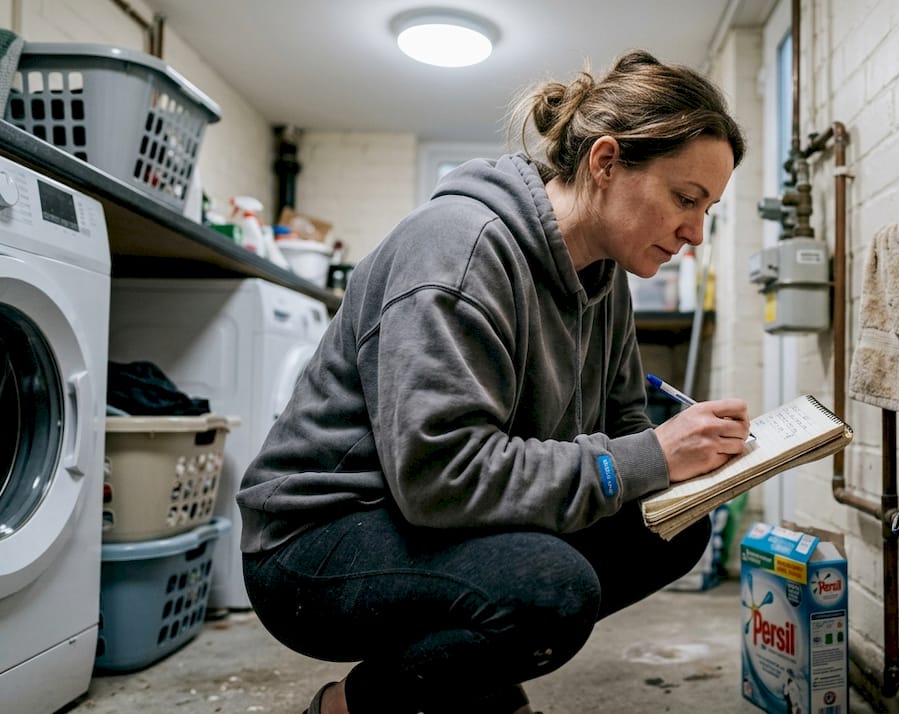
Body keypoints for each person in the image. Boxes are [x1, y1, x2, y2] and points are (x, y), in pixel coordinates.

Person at [237, 49, 749, 714]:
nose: (697, 233)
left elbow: (623, 424)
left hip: (431, 515)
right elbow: (440, 475)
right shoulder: (460, 248)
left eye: (707, 208)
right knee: (551, 592)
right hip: (319, 538)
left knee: (676, 527)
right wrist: (653, 455)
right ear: (605, 162)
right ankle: (348, 706)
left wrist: (699, 464)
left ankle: (467, 671)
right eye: (686, 199)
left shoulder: (606, 277)